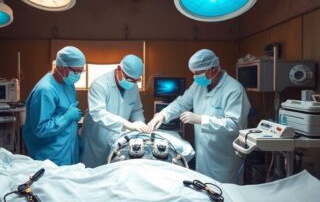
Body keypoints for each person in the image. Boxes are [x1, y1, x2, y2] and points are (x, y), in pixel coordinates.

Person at [148, 49, 251, 183]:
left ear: (213, 69)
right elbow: (182, 103)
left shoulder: (234, 90)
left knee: (225, 193)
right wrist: (163, 114)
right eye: (194, 73)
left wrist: (201, 119)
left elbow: (234, 124)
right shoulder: (198, 85)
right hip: (204, 156)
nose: (195, 77)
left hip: (225, 158)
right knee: (203, 190)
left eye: (198, 73)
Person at [80, 54, 150, 168]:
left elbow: (136, 110)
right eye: (129, 79)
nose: (132, 83)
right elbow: (98, 114)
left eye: (136, 80)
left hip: (118, 138)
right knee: (93, 173)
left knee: (114, 173)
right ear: (119, 69)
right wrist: (126, 124)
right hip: (96, 139)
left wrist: (140, 124)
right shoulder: (100, 85)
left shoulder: (133, 86)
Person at [22, 46, 86, 166]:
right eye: (76, 71)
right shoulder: (45, 90)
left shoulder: (68, 84)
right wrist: (66, 117)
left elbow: (64, 110)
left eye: (81, 71)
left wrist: (74, 116)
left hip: (69, 149)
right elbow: (41, 129)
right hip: (52, 155)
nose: (78, 75)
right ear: (61, 67)